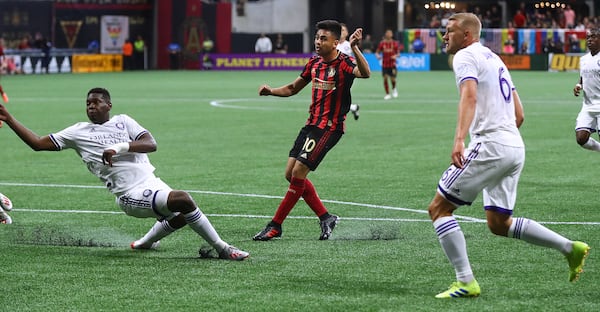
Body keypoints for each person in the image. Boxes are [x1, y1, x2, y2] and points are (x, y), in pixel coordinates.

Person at [429, 12, 589, 299]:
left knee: (439, 209)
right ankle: (570, 248)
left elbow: (469, 95)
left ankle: (465, 281)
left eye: (449, 31)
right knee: (499, 223)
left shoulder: (465, 56)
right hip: (513, 146)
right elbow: (519, 114)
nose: (444, 36)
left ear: (466, 35)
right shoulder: (494, 58)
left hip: (491, 145)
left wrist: (460, 140)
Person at [0, 87, 249, 260]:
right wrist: (9, 118)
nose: (91, 106)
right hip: (129, 194)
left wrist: (119, 147)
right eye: (87, 103)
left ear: (109, 105)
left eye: (96, 102)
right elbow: (37, 143)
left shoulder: (123, 121)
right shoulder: (77, 132)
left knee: (184, 214)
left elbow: (151, 143)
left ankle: (145, 242)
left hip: (152, 182)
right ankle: (222, 248)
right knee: (184, 199)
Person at [254, 20, 370, 241]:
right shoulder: (314, 63)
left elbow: (365, 73)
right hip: (310, 126)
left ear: (336, 42)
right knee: (290, 175)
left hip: (329, 128)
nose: (318, 42)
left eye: (323, 38)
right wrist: (271, 91)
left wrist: (355, 47)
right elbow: (292, 88)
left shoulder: (344, 63)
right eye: (317, 38)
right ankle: (326, 217)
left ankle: (275, 225)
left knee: (298, 173)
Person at [573, 28, 600, 152]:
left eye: (593, 37)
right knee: (581, 139)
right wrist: (579, 85)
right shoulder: (583, 59)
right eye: (588, 37)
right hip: (588, 105)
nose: (589, 40)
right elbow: (583, 77)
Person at [375, 29, 400, 100]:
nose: (389, 34)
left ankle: (394, 88)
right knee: (385, 78)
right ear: (386, 34)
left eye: (390, 33)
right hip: (385, 64)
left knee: (393, 79)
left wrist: (395, 56)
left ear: (392, 35)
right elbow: (377, 52)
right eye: (388, 33)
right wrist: (378, 56)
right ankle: (387, 94)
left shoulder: (394, 43)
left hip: (392, 64)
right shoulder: (382, 43)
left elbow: (398, 54)